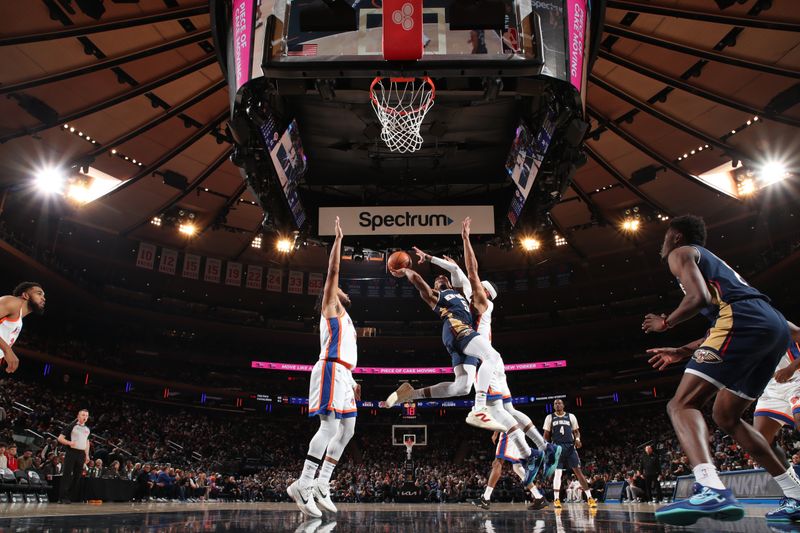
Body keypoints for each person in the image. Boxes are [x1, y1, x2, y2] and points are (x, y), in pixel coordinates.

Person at [645, 215, 800, 525]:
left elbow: (698, 298)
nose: (662, 244)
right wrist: (681, 351)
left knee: (681, 403)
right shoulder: (717, 267)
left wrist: (667, 323)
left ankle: (710, 487)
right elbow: (721, 324)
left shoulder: (680, 253)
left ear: (676, 237)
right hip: (771, 325)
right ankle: (795, 494)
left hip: (744, 321)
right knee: (726, 416)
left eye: (664, 237)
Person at [387, 232, 507, 432]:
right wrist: (405, 270)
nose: (440, 278)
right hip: (457, 330)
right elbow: (420, 283)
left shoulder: (462, 294)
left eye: (444, 277)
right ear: (435, 286)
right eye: (437, 279)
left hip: (463, 340)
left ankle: (411, 394)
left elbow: (459, 271)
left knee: (462, 387)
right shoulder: (437, 297)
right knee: (492, 356)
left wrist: (441, 262)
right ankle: (479, 408)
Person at [287, 217, 359, 518]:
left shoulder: (347, 319)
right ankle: (302, 484)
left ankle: (321, 484)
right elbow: (332, 271)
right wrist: (338, 240)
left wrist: (353, 378)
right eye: (338, 288)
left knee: (348, 429)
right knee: (329, 427)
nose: (342, 289)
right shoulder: (330, 307)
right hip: (329, 369)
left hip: (344, 373)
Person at [470, 430, 548, 510]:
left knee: (498, 462)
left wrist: (495, 433)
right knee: (517, 468)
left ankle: (485, 499)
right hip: (519, 433)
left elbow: (501, 418)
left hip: (508, 431)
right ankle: (539, 497)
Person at [753, 340, 800, 466]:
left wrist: (792, 367)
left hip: (797, 376)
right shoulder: (736, 334)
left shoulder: (784, 326)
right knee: (760, 443)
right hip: (773, 386)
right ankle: (792, 484)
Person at [543, 399, 597, 508]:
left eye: (559, 403)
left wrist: (577, 439)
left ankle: (589, 498)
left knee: (578, 472)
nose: (557, 405)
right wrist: (546, 446)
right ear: (553, 406)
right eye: (555, 403)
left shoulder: (571, 416)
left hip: (570, 447)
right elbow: (546, 434)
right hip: (557, 447)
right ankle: (556, 499)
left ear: (563, 405)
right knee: (558, 473)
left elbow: (576, 431)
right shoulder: (549, 417)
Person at [0, 282, 46, 374]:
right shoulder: (13, 302)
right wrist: (7, 350)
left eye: (44, 296)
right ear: (25, 295)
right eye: (39, 293)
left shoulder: (19, 319)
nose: (43, 298)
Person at [57, 408, 91, 504]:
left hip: (81, 454)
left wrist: (87, 455)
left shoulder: (87, 429)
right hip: (71, 452)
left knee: (77, 476)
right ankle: (62, 497)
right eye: (83, 415)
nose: (85, 417)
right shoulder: (72, 426)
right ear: (78, 416)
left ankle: (68, 495)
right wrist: (69, 443)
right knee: (67, 475)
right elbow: (60, 438)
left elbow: (87, 442)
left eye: (86, 415)